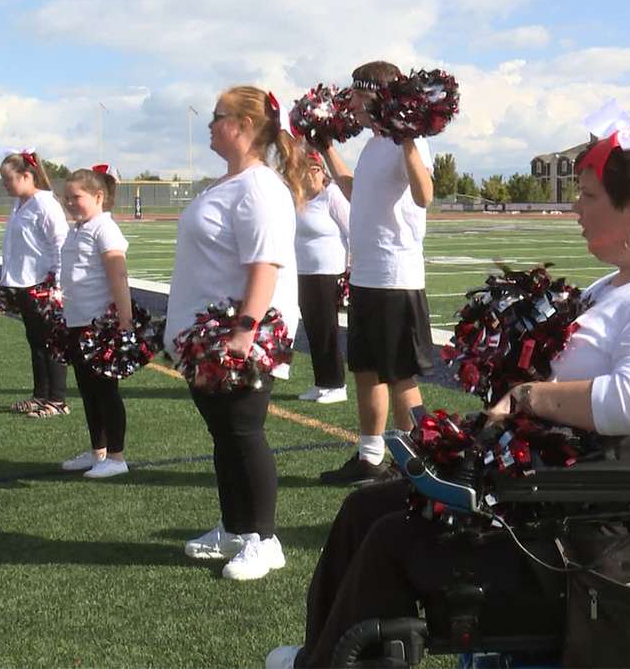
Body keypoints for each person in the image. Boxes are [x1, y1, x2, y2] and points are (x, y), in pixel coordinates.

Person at [265, 129, 630, 669]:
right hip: (539, 492)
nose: (575, 208)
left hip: (573, 523)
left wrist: (527, 396)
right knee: (362, 509)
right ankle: (320, 657)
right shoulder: (621, 283)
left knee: (391, 537)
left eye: (588, 195)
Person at [166, 86, 305, 581]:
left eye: (217, 116)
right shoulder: (227, 183)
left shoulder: (259, 187)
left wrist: (244, 332)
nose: (210, 124)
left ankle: (265, 541)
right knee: (223, 434)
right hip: (206, 333)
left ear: (244, 125)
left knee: (244, 432)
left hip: (240, 334)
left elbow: (265, 264)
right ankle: (234, 527)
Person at [315, 60, 436, 485]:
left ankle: (419, 461)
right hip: (366, 274)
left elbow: (424, 195)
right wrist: (325, 146)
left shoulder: (407, 142)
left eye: (356, 94)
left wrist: (408, 139)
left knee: (399, 375)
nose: (349, 103)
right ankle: (370, 457)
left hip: (394, 276)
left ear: (376, 96)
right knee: (366, 370)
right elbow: (354, 190)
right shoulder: (372, 145)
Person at [56, 166, 133, 479]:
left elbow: (119, 276)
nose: (69, 203)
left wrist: (125, 319)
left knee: (105, 390)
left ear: (98, 196)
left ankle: (116, 457)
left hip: (99, 324)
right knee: (88, 391)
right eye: (66, 198)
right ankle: (97, 451)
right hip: (76, 320)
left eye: (76, 197)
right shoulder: (78, 228)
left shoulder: (105, 229)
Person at [0, 150, 70, 419]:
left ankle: (58, 400)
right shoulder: (20, 204)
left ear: (27, 176)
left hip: (43, 284)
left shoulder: (44, 204)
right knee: (36, 342)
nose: (5, 185)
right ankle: (40, 396)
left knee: (51, 344)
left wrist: (57, 285)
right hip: (24, 283)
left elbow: (60, 244)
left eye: (9, 179)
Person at [295, 149, 351, 405]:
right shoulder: (300, 199)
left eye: (314, 169)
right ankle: (322, 382)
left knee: (327, 330)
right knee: (313, 329)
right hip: (304, 273)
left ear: (322, 172)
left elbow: (352, 230)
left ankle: (337, 384)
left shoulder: (332, 195)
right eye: (305, 169)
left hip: (328, 273)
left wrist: (350, 269)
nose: (309, 174)